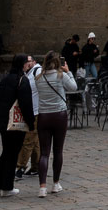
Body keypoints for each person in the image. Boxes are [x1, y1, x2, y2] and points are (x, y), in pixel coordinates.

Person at [0, 52, 35, 196]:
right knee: (12, 154)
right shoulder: (22, 80)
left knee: (5, 152)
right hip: (16, 124)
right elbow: (26, 104)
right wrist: (31, 123)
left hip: (4, 123)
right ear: (22, 64)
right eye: (27, 61)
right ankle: (7, 187)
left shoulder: (5, 79)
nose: (29, 63)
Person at [34, 49, 76, 197]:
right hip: (59, 115)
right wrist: (68, 72)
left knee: (44, 153)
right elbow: (73, 87)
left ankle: (42, 187)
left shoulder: (38, 77)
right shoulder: (61, 76)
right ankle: (56, 183)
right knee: (58, 151)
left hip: (44, 116)